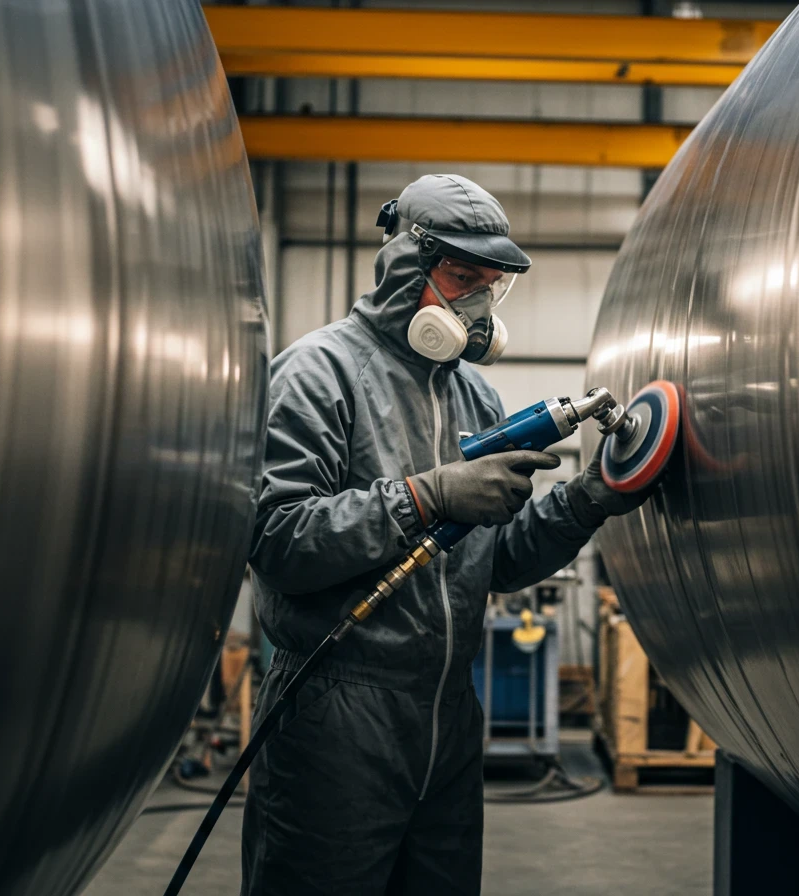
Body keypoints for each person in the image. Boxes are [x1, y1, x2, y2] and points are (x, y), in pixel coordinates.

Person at [242, 174, 652, 895]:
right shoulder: (318, 374)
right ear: (408, 267)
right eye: (462, 277)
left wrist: (591, 499)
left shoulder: (474, 393)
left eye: (488, 285)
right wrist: (424, 496)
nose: (475, 301)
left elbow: (498, 558)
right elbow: (280, 541)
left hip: (449, 719)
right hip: (336, 717)